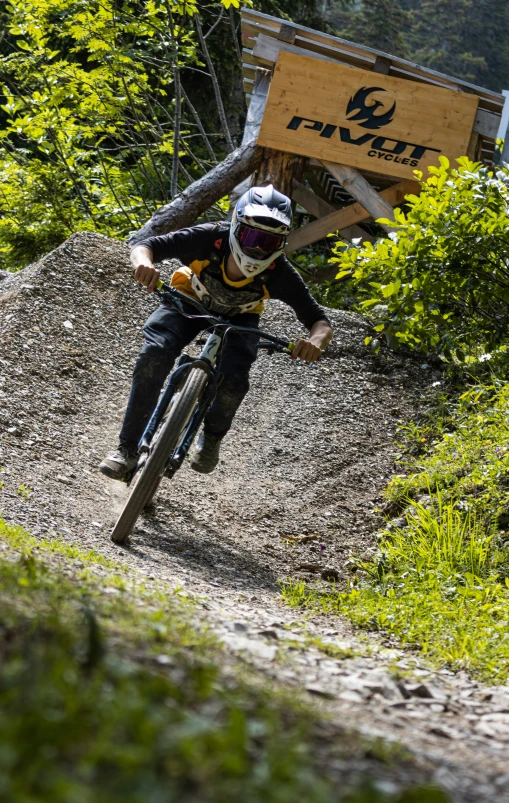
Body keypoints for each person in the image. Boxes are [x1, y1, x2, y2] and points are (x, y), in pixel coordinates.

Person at [99, 184, 333, 479]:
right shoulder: (209, 237)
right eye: (253, 236)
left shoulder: (280, 273)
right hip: (187, 300)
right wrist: (143, 264)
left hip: (240, 320)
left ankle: (211, 439)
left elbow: (320, 322)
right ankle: (126, 448)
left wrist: (314, 343)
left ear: (282, 244)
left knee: (233, 382)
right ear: (236, 226)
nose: (258, 248)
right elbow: (146, 246)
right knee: (155, 354)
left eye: (269, 242)